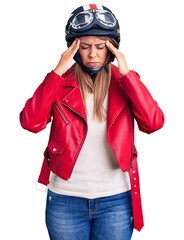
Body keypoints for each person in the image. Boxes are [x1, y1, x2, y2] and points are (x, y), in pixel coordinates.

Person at [19, 4, 165, 240]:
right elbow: (30, 122)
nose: (93, 54)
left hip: (116, 201)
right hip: (65, 200)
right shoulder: (58, 82)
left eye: (100, 47)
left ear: (112, 49)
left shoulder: (125, 82)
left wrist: (127, 74)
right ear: (74, 49)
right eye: (85, 47)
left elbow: (153, 123)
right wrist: (57, 73)